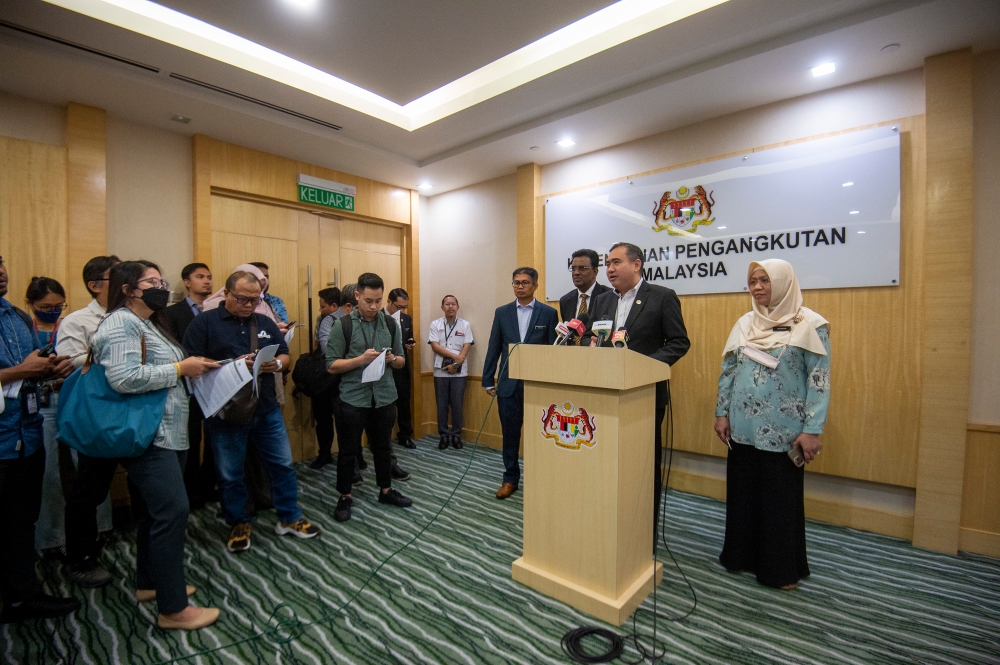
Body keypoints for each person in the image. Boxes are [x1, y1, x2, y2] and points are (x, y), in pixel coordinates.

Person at [90, 260, 221, 629]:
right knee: (172, 513)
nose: (160, 285)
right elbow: (124, 378)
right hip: (148, 435)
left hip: (167, 430)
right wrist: (181, 369)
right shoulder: (120, 322)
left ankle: (149, 582)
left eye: (161, 280)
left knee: (152, 513)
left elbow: (166, 367)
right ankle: (173, 609)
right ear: (129, 288)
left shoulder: (147, 323)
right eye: (151, 281)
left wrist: (196, 365)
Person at [183, 271, 320, 553]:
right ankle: (238, 521)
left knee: (282, 465)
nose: (248, 305)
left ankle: (289, 516)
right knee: (231, 472)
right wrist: (232, 364)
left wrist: (277, 365)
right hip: (226, 411)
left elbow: (284, 353)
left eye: (254, 300)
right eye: (242, 299)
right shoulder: (204, 323)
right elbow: (191, 362)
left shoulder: (265, 321)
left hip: (266, 407)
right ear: (226, 294)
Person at [714, 259, 830, 590]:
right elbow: (729, 371)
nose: (758, 287)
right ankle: (739, 557)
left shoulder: (810, 324)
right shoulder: (744, 323)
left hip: (785, 431)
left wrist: (812, 429)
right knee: (742, 496)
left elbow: (819, 380)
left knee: (779, 502)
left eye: (765, 280)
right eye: (753, 281)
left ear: (782, 282)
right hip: (742, 427)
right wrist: (722, 413)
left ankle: (779, 570)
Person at [588, 242, 690, 540]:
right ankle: (609, 522)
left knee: (641, 467)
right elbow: (592, 338)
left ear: (636, 265)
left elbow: (678, 342)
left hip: (644, 396)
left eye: (616, 262)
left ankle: (643, 530)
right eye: (607, 263)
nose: (609, 269)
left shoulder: (661, 297)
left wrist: (639, 367)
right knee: (607, 464)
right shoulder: (603, 300)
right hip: (604, 395)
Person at [0, 255, 79, 623]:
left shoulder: (15, 317)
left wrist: (51, 369)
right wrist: (21, 371)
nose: (1, 270)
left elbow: (31, 373)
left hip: (27, 437)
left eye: (1, 262)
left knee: (20, 523)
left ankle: (21, 598)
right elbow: (18, 372)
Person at [326, 272, 413, 523]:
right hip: (353, 399)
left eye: (377, 301)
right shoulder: (343, 325)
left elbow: (401, 360)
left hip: (384, 397)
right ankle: (345, 495)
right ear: (357, 296)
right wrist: (360, 360)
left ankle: (385, 490)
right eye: (368, 301)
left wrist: (391, 359)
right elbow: (331, 365)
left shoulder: (389, 324)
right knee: (348, 451)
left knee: (383, 447)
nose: (374, 306)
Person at [59, 255, 121, 588]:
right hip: (98, 415)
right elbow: (70, 361)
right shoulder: (78, 321)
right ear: (94, 285)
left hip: (131, 412)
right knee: (89, 490)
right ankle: (79, 558)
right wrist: (120, 355)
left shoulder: (132, 316)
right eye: (117, 277)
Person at [482, 267, 558, 499]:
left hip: (538, 386)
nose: (520, 286)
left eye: (525, 282)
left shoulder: (548, 313)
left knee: (541, 436)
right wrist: (487, 378)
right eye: (516, 282)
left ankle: (539, 478)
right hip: (508, 385)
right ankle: (510, 478)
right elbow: (494, 345)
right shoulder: (502, 312)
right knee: (510, 435)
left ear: (535, 285)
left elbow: (555, 351)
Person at [156, 263, 216, 509]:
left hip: (215, 384)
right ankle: (191, 492)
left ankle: (210, 486)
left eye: (209, 277)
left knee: (215, 441)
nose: (207, 281)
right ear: (187, 282)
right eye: (200, 277)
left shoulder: (217, 309)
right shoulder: (172, 313)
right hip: (186, 385)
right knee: (189, 440)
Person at [24, 277, 72, 555]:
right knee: (48, 473)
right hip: (38, 404)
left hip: (68, 395)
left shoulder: (69, 325)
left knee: (82, 467)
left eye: (58, 305)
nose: (52, 311)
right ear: (31, 304)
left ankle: (96, 530)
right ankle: (50, 539)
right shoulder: (22, 328)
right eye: (45, 306)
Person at [429, 295, 473, 450]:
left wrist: (457, 362)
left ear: (458, 307)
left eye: (453, 304)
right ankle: (443, 436)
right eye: (447, 304)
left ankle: (455, 435)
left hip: (459, 372)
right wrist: (456, 357)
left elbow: (467, 345)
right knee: (441, 405)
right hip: (440, 371)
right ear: (442, 307)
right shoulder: (435, 324)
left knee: (457, 404)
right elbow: (435, 346)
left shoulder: (465, 325)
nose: (450, 307)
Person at [309, 287, 340, 470]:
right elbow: (317, 345)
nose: (320, 310)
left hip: (341, 378)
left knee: (345, 421)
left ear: (334, 305)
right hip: (323, 377)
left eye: (322, 306)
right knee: (323, 418)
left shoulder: (346, 319)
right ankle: (324, 454)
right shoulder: (321, 320)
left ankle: (354, 457)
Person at [384, 288, 416, 449]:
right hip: (382, 368)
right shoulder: (378, 317)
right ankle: (383, 438)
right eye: (399, 306)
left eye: (405, 307)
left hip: (401, 366)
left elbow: (407, 337)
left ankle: (405, 435)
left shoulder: (406, 318)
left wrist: (410, 342)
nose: (402, 310)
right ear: (389, 302)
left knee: (404, 402)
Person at [559, 249, 611, 325]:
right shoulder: (565, 300)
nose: (576, 273)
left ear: (595, 272)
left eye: (582, 268)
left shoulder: (608, 297)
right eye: (573, 269)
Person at [250, 262, 289, 327]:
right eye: (259, 277)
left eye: (266, 277)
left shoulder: (277, 301)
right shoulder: (241, 302)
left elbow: (284, 324)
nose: (264, 281)